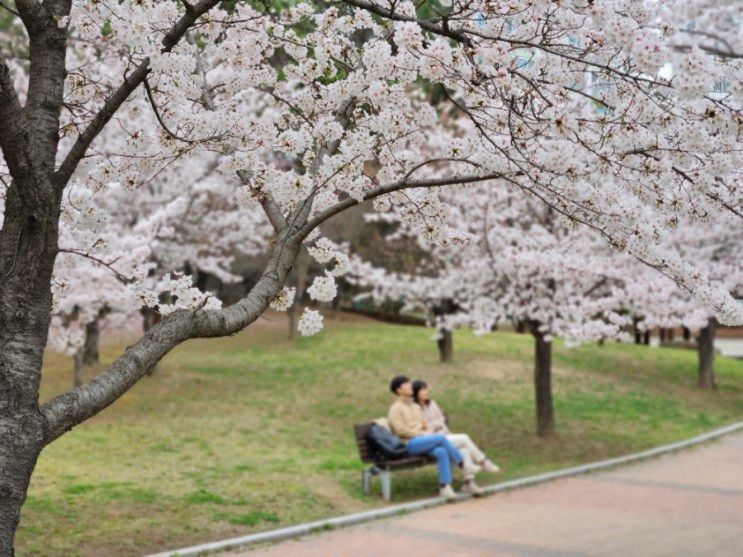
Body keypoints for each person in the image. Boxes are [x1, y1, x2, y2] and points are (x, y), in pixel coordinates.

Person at [387, 375, 480, 500]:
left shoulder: (415, 407)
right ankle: (463, 464)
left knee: (441, 451)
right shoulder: (395, 408)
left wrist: (427, 429)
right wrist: (421, 433)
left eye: (410, 383)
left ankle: (445, 487)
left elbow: (422, 423)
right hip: (409, 443)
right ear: (399, 390)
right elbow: (400, 431)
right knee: (440, 438)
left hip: (424, 440)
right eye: (407, 384)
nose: (410, 386)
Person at [412, 379, 500, 486]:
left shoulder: (432, 403)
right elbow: (424, 426)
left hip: (446, 435)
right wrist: (436, 425)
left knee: (464, 450)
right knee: (464, 438)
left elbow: (441, 418)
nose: (425, 391)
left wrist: (434, 424)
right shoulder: (415, 408)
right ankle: (483, 461)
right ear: (416, 392)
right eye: (422, 390)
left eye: (426, 388)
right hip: (436, 440)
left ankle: (469, 483)